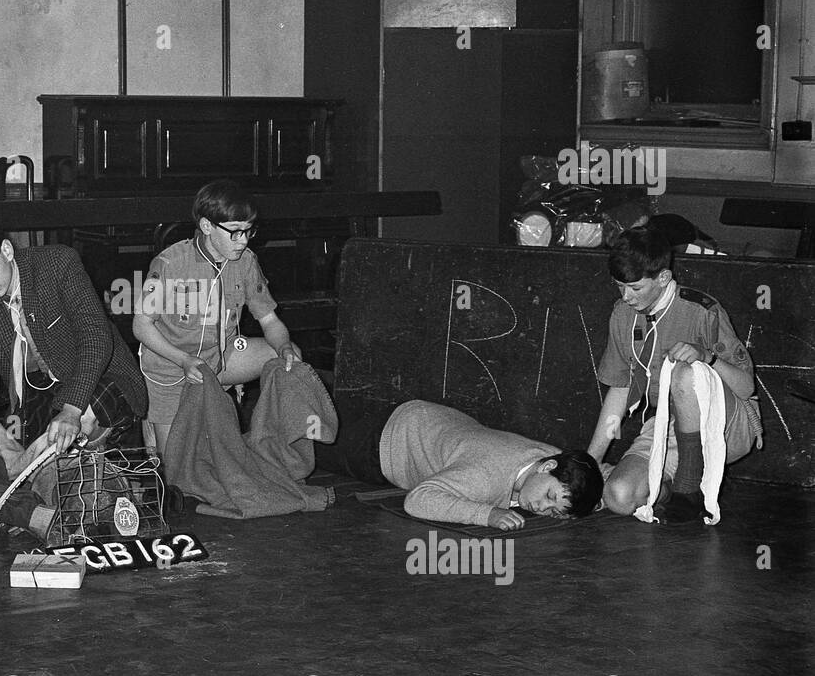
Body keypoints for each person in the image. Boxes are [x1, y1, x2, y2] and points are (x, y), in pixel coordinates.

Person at [0, 220, 147, 517]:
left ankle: (23, 477)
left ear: (6, 250)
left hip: (105, 378)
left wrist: (72, 409)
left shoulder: (57, 263)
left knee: (72, 427)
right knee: (36, 454)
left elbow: (96, 337)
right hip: (42, 396)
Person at [587, 226, 761, 522]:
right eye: (619, 286)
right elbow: (620, 389)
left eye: (636, 288)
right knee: (619, 496)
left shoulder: (701, 311)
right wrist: (590, 463)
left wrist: (708, 357)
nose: (626, 296)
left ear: (663, 277)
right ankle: (675, 485)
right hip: (670, 423)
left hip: (728, 424)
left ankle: (689, 486)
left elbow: (745, 388)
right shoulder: (621, 315)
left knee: (685, 372)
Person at [133, 180, 302, 461]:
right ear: (207, 226)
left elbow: (270, 320)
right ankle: (154, 426)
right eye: (235, 232)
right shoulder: (169, 264)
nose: (244, 240)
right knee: (174, 469)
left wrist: (284, 347)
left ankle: (275, 447)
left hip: (222, 357)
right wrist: (184, 360)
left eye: (249, 231)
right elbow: (141, 325)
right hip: (171, 369)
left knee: (290, 357)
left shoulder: (246, 261)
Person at [315, 399, 603, 527]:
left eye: (554, 511)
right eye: (549, 497)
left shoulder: (553, 459)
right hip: (379, 446)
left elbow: (585, 472)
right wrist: (487, 515)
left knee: (314, 409)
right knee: (296, 438)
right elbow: (417, 500)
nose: (541, 507)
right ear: (546, 467)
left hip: (425, 420)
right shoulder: (485, 476)